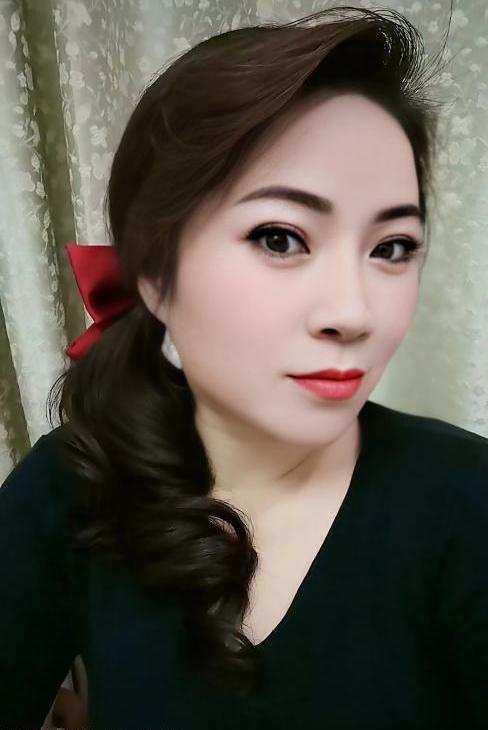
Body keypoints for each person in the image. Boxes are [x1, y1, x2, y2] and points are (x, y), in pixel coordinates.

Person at [1, 4, 487, 729]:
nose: (353, 313)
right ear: (155, 274)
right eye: (281, 238)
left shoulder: (467, 503)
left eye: (392, 248)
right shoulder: (71, 486)